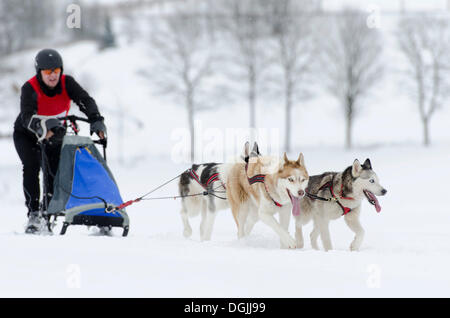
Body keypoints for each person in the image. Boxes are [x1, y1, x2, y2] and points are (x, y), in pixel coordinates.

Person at [13, 48, 107, 233]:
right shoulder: (29, 88)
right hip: (27, 135)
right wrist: (42, 127)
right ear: (39, 72)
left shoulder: (67, 83)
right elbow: (26, 116)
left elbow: (85, 100)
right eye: (48, 72)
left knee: (54, 172)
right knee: (32, 167)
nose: (53, 75)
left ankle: (49, 209)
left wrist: (96, 119)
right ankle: (34, 214)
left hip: (54, 134)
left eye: (56, 70)